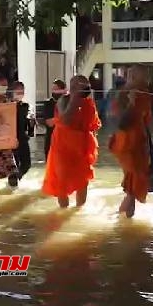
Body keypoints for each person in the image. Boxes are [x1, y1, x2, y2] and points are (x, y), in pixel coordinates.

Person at [42, 75, 101, 208]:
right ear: (73, 87)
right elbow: (65, 120)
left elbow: (93, 125)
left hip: (82, 147)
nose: (85, 89)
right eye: (81, 86)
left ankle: (78, 211)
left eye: (86, 87)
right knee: (62, 180)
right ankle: (63, 212)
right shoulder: (63, 100)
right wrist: (75, 99)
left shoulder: (88, 102)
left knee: (83, 179)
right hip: (62, 146)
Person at [109, 65, 153, 218]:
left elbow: (145, 120)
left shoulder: (144, 93)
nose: (147, 81)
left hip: (140, 142)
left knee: (134, 184)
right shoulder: (122, 95)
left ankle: (126, 219)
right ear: (133, 77)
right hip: (126, 144)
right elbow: (121, 123)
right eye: (145, 77)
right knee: (133, 185)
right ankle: (116, 218)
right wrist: (131, 103)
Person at [10, 81, 34, 186]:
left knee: (26, 164)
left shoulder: (26, 106)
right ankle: (13, 183)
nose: (20, 93)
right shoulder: (7, 106)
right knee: (13, 164)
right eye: (18, 91)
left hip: (23, 138)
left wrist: (31, 124)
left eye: (22, 91)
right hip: (10, 138)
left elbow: (29, 122)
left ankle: (16, 179)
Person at [43, 79, 67, 160]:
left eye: (56, 89)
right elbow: (49, 123)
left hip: (65, 140)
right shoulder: (48, 103)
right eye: (53, 89)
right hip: (51, 139)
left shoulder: (68, 103)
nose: (54, 91)